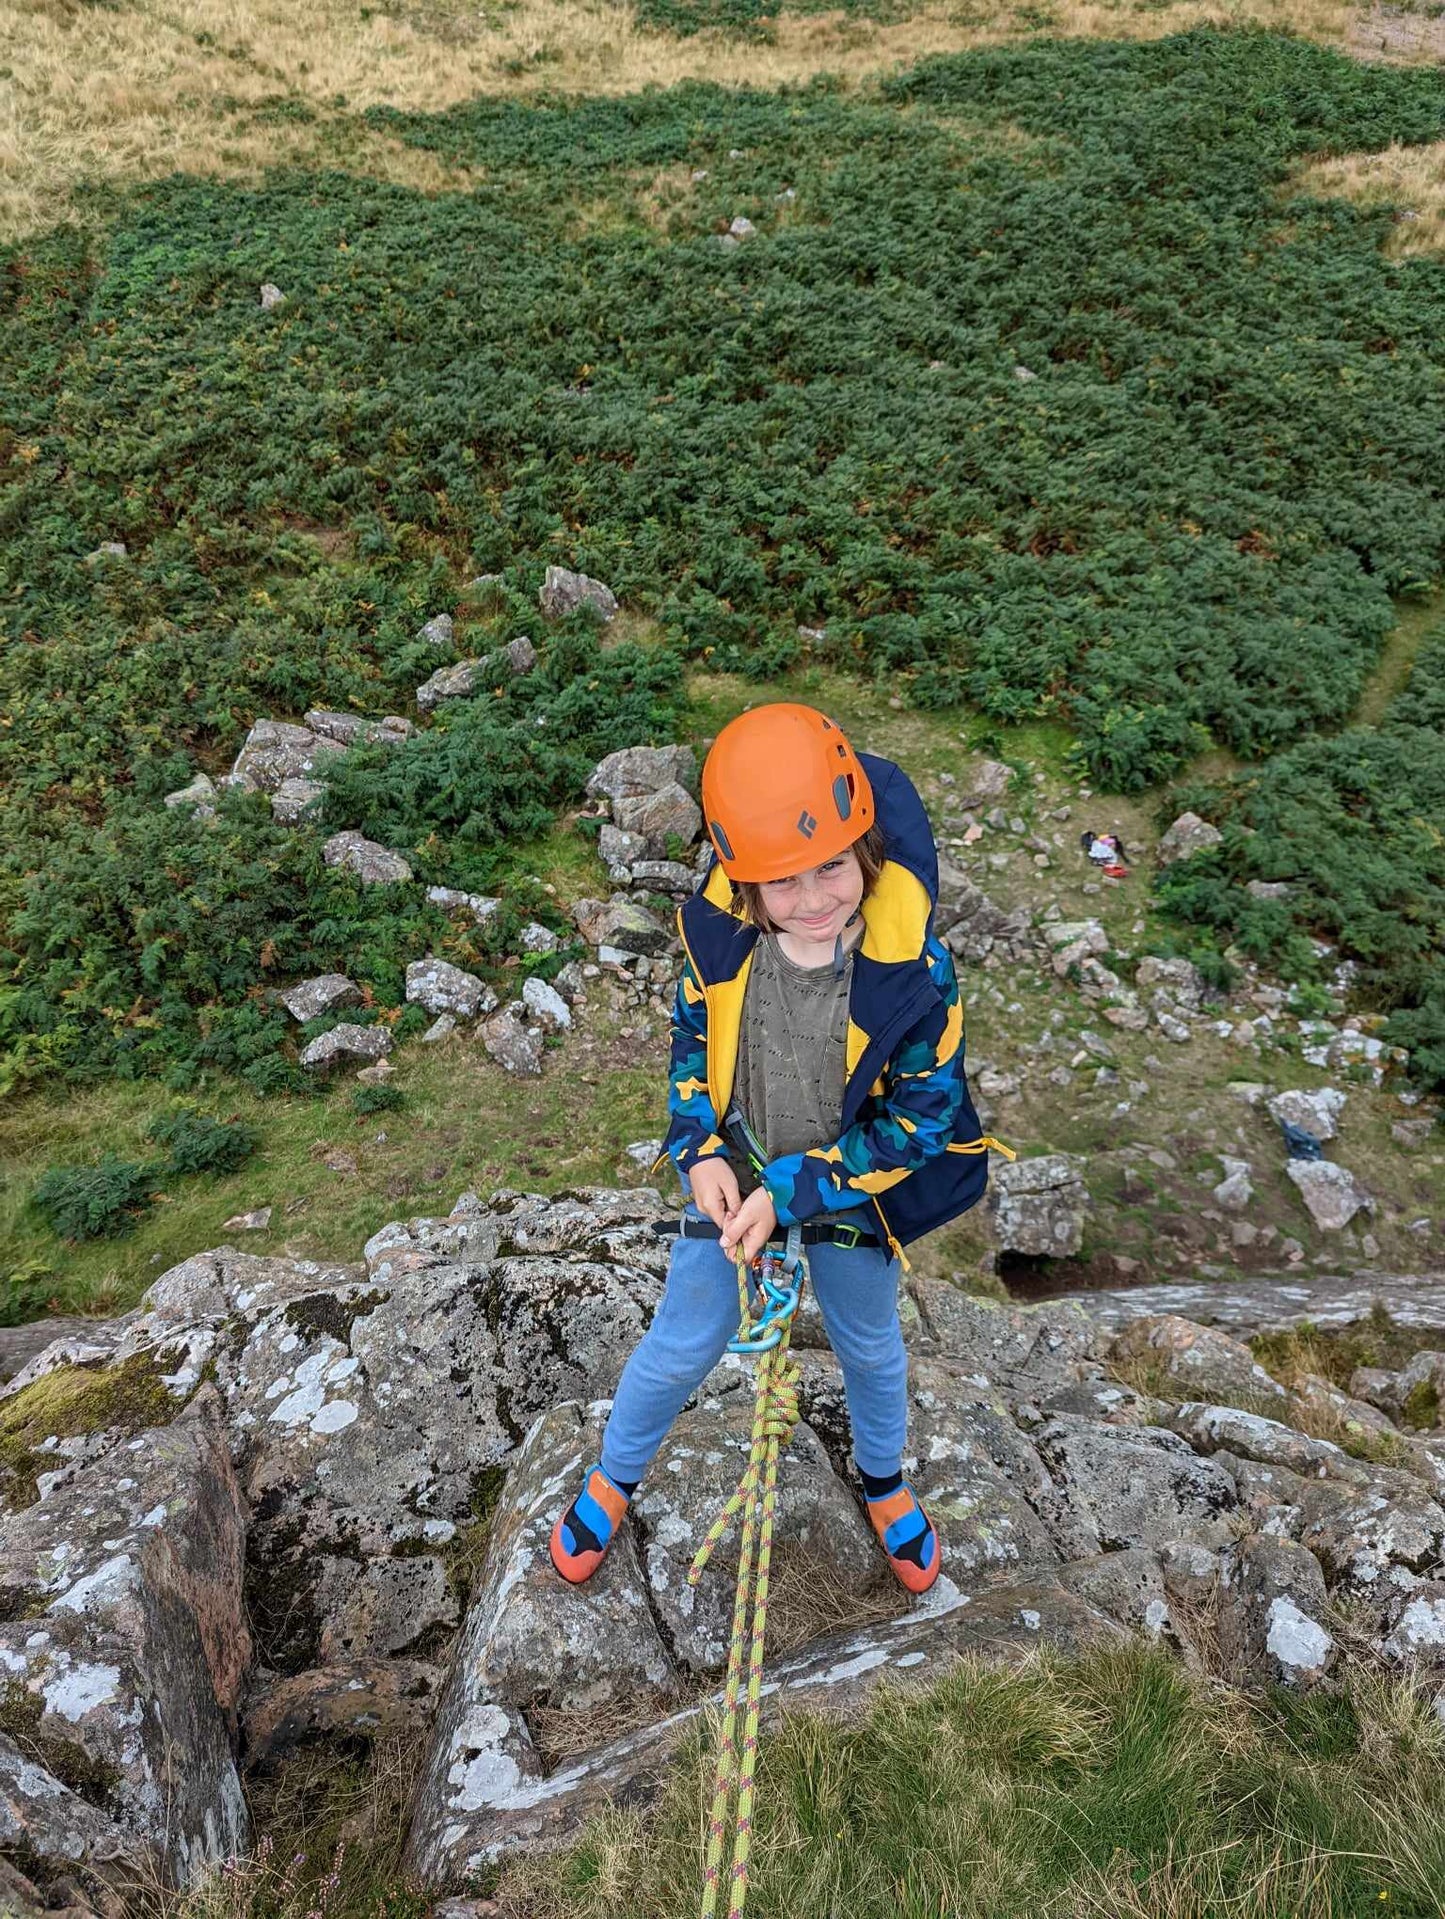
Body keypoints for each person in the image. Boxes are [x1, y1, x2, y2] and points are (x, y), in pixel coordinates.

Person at [549, 703, 999, 1596]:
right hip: (741, 1163)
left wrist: (798, 1189)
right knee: (682, 1339)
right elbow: (691, 1044)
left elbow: (921, 1118)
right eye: (782, 881)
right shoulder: (723, 945)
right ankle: (613, 1475)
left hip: (850, 1184)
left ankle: (882, 1480)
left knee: (869, 1343)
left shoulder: (915, 971)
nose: (814, 898)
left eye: (831, 865)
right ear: (744, 882)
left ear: (865, 849)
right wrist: (699, 1149)